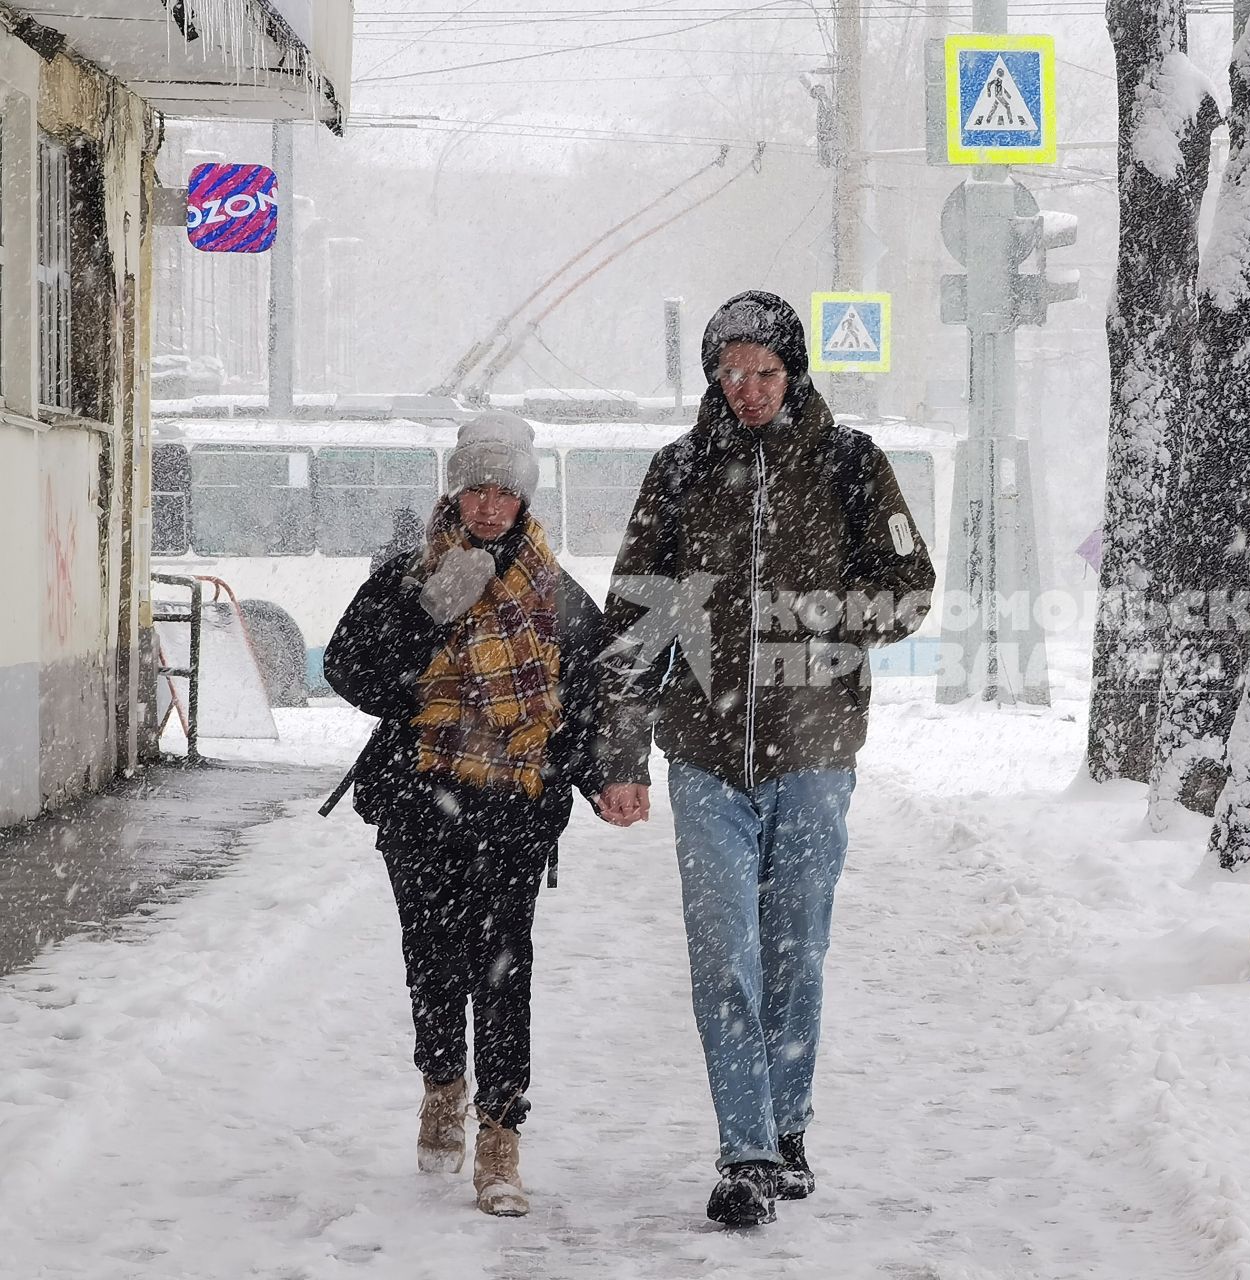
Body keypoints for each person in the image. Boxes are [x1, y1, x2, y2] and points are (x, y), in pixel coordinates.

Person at [594, 291, 936, 1227]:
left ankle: (788, 1126)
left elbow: (910, 591)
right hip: (704, 753)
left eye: (763, 373)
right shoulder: (679, 473)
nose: (744, 390)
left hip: (814, 754)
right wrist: (621, 753)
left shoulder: (850, 466)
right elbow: (635, 618)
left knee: (796, 953)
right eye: (729, 373)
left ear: (794, 372)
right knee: (723, 954)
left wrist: (820, 620)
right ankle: (743, 1148)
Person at [324, 411, 608, 1217]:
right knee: (434, 958)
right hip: (420, 801)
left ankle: (500, 1136)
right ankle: (442, 1082)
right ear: (456, 489)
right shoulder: (408, 574)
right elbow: (349, 671)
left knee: (504, 966)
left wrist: (604, 781)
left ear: (524, 500)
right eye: (477, 487)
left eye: (505, 491)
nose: (489, 505)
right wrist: (426, 617)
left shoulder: (555, 592)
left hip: (515, 812)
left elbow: (587, 700)